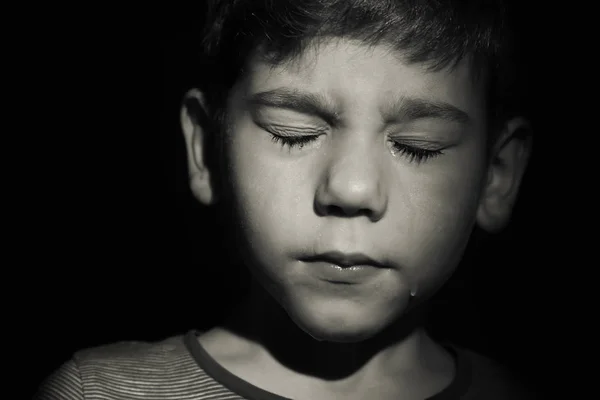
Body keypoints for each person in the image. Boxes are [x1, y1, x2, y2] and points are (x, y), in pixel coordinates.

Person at [35, 0, 535, 398]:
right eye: (293, 133)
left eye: (417, 146)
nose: (352, 189)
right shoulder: (99, 393)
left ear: (497, 175)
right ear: (208, 147)